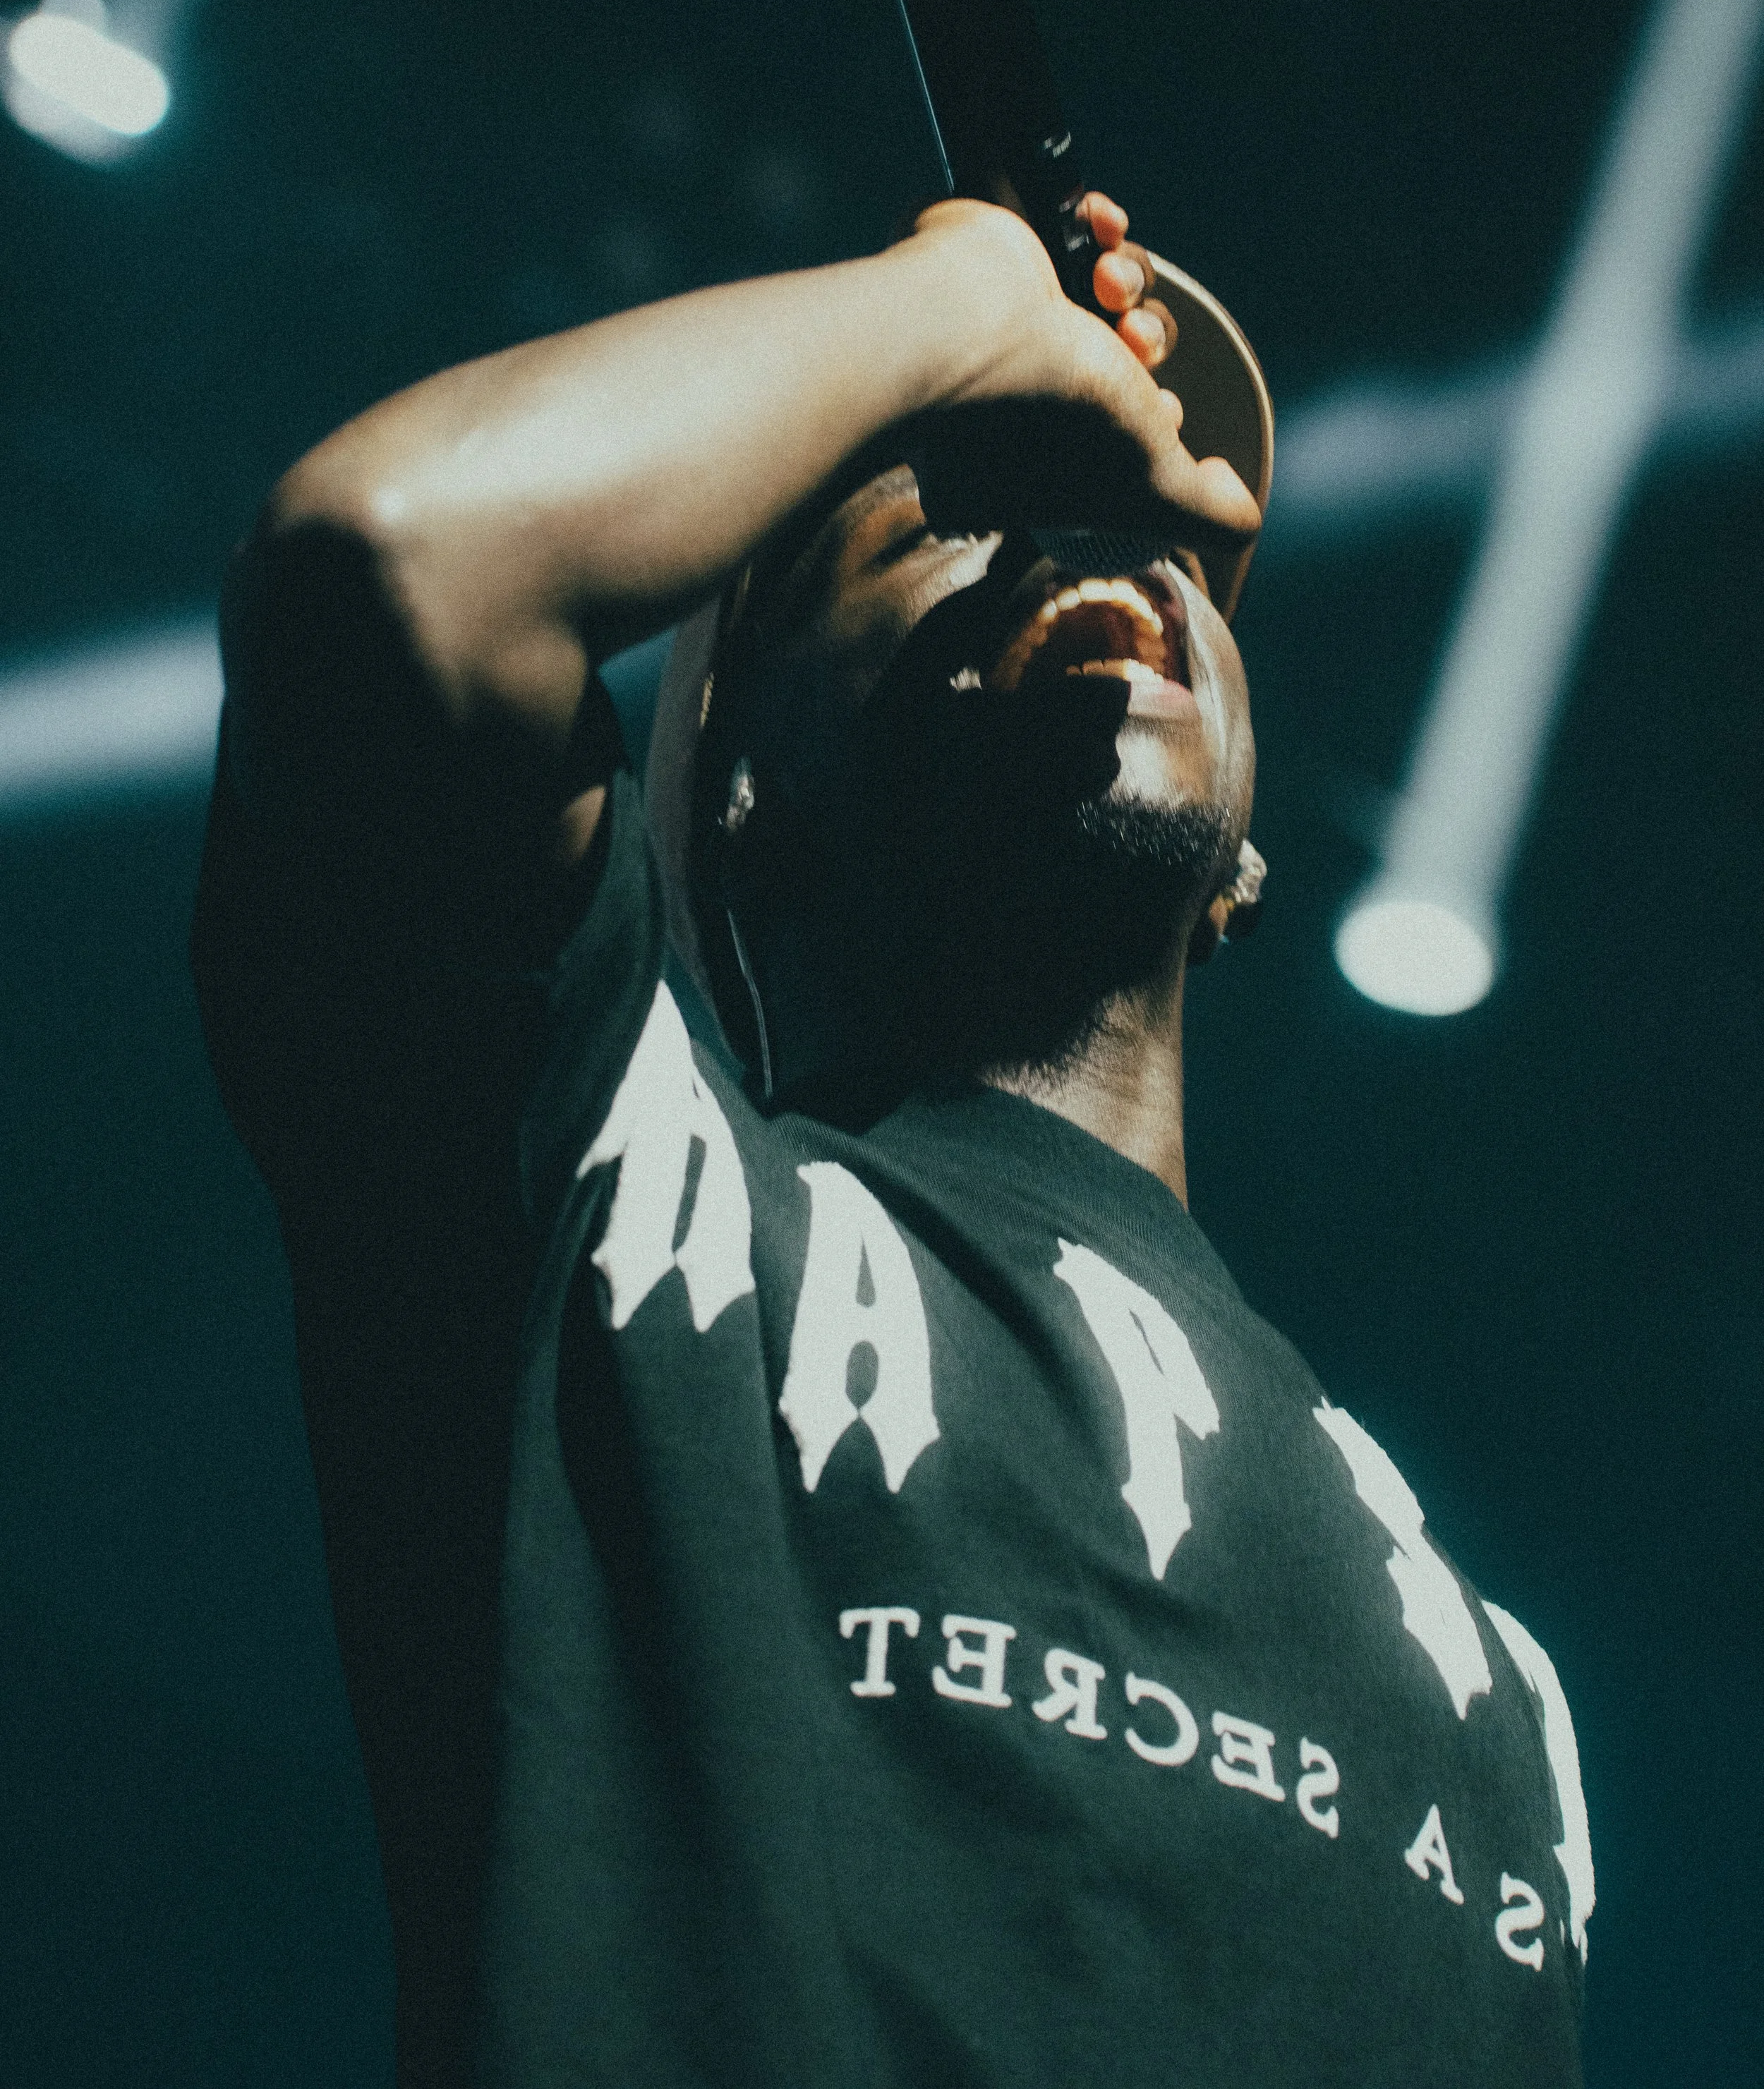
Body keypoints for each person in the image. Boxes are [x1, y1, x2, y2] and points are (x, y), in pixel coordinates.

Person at [193, 190, 1593, 2088]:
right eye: (953, 496)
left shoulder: (1491, 1678)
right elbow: (398, 561)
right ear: (733, 780)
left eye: (1147, 524)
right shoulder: (611, 1195)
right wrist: (961, 303)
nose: (1089, 539)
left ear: (1246, 866)